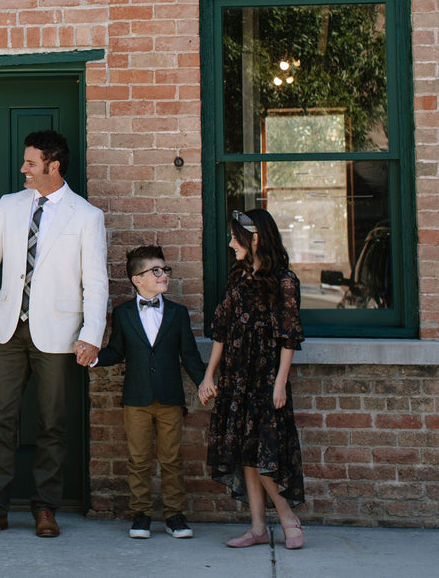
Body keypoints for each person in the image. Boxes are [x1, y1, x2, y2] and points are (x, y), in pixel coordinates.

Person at [0, 129, 109, 539]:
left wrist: (92, 333)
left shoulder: (86, 215)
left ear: (54, 166)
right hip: (8, 330)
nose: (23, 169)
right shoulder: (10, 205)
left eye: (31, 163)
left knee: (52, 423)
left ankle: (46, 508)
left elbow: (96, 281)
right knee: (0, 420)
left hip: (58, 333)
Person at [197, 208, 307, 550]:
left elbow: (289, 337)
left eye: (236, 238)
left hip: (265, 377)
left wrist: (280, 382)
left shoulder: (284, 280)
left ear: (255, 238)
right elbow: (222, 330)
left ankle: (287, 517)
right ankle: (258, 527)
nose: (231, 244)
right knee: (245, 450)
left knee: (263, 453)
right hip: (236, 376)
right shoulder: (237, 277)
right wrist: (209, 375)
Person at [94, 245, 206, 539]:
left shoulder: (178, 313)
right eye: (155, 271)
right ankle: (141, 513)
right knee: (138, 459)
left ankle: (174, 514)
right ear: (137, 279)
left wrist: (203, 382)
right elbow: (116, 351)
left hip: (170, 397)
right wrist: (93, 357)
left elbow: (189, 355)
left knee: (171, 459)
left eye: (165, 269)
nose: (163, 275)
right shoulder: (123, 313)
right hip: (137, 398)